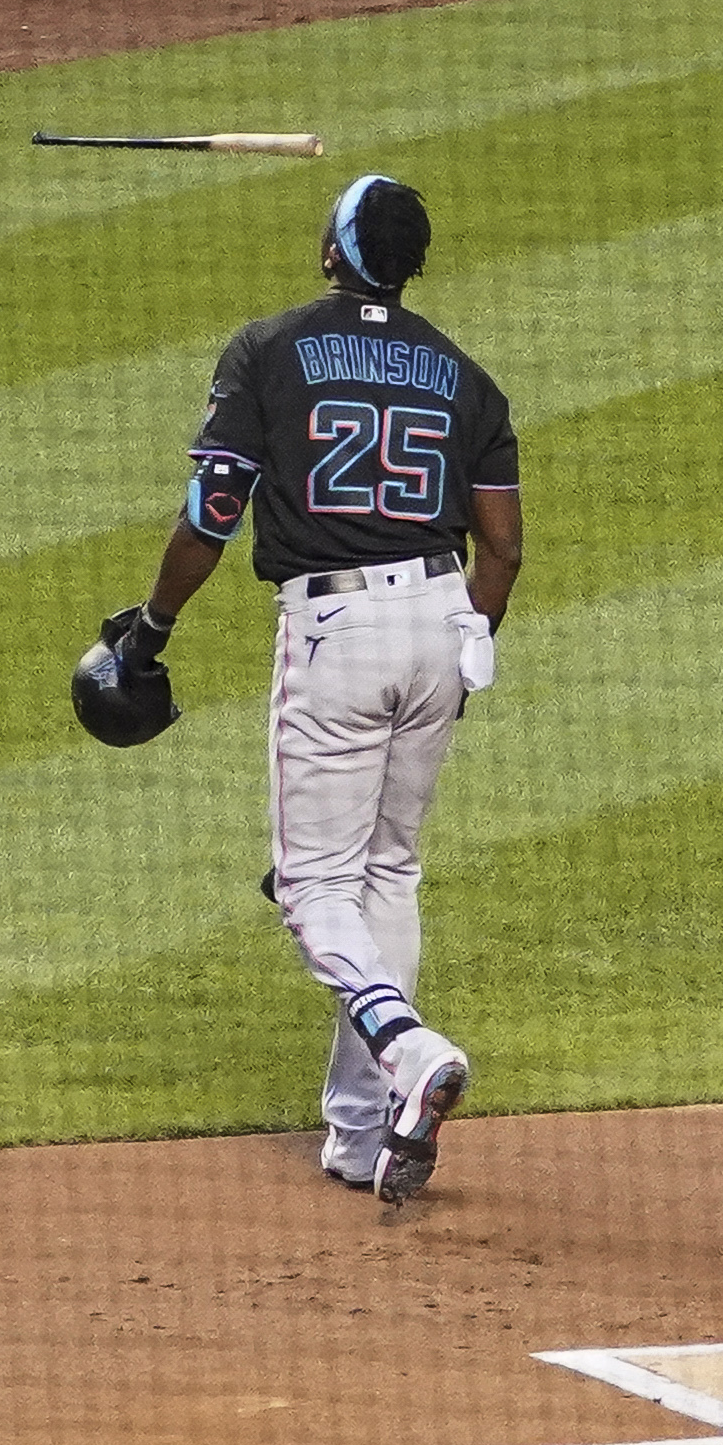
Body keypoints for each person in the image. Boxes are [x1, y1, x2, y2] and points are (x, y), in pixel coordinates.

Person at [99, 174, 521, 1206]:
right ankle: (361, 1132)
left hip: (334, 628)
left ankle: (409, 1049)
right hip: (443, 616)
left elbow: (212, 513)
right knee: (389, 872)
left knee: (312, 887)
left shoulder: (268, 350)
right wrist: (463, 653)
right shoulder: (465, 377)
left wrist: (149, 630)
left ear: (333, 252)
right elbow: (503, 549)